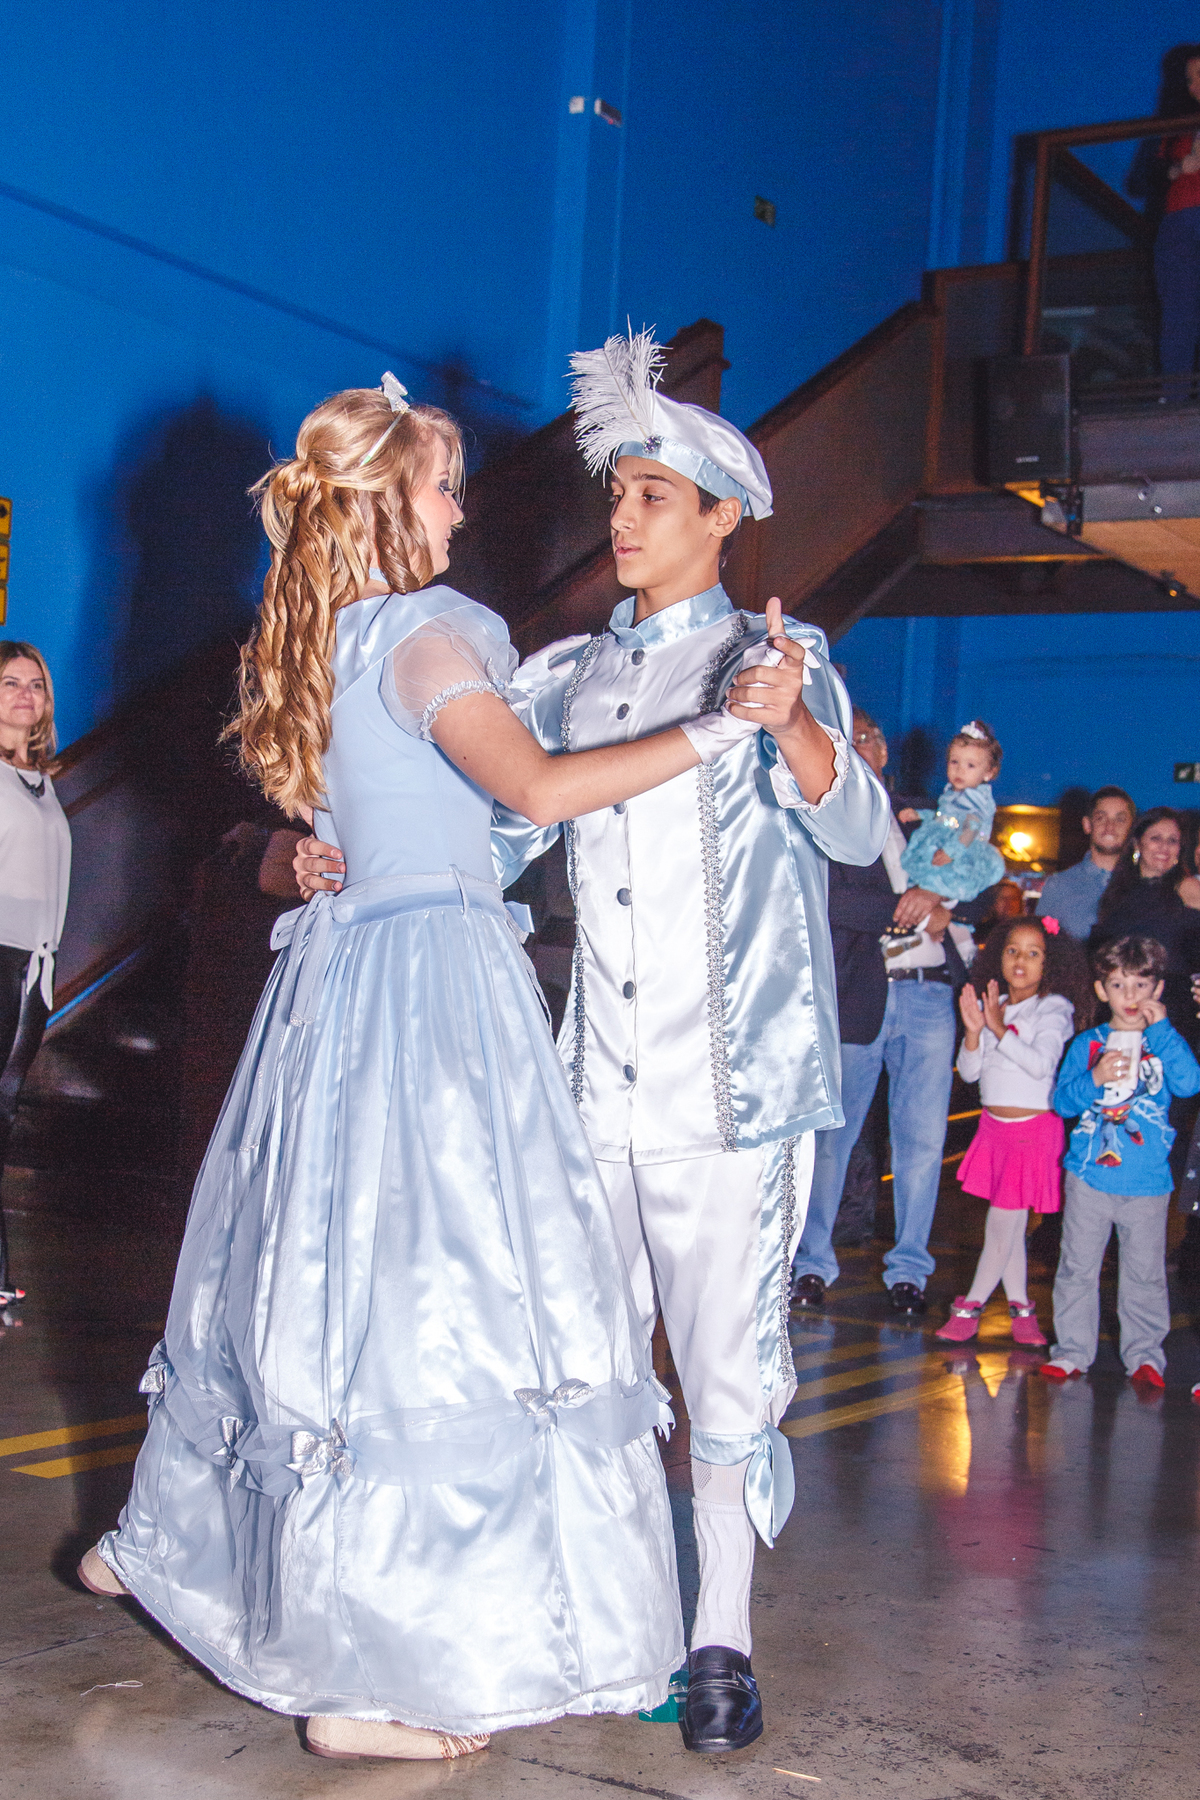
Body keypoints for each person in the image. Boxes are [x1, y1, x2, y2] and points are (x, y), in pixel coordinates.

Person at [80, 377, 768, 1760]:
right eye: (448, 484)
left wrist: (296, 856)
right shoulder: (437, 629)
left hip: (336, 987)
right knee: (436, 1304)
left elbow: (330, 827)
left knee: (317, 1290)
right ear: (395, 499)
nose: (465, 507)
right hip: (433, 991)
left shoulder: (318, 640)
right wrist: (720, 726)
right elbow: (537, 794)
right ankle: (359, 1677)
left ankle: (170, 1550)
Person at [296, 327, 891, 1753]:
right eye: (616, 495)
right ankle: (620, 1622)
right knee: (593, 1361)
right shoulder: (557, 676)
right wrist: (319, 851)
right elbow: (488, 827)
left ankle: (723, 1636)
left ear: (722, 518)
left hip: (734, 1083)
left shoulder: (777, 658)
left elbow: (855, 826)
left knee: (726, 1366)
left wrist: (799, 727)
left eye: (652, 500)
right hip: (587, 1088)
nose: (621, 522)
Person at [791, 709, 992, 1315]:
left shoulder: (929, 812)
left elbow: (983, 884)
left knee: (923, 1142)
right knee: (834, 1140)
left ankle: (910, 1271)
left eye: (873, 736)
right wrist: (907, 904)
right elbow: (825, 900)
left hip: (932, 993)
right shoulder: (821, 818)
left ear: (882, 753)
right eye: (850, 736)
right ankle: (812, 1265)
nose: (865, 743)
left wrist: (944, 898)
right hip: (861, 995)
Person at [1044, 935, 1200, 1385]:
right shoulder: (1087, 1044)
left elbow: (1189, 1084)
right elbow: (1063, 1103)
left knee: (1145, 1275)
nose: (1129, 997)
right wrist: (1093, 1078)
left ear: (1157, 989)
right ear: (1100, 990)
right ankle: (1072, 1350)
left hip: (1148, 1182)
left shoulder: (1165, 1042)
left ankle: (1145, 1355)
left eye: (1140, 985)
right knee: (1077, 1268)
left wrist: (1163, 1032)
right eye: (1118, 985)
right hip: (1089, 1177)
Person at [934, 916, 1091, 1346]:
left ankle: (971, 1305)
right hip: (993, 1130)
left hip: (1032, 1132)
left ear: (1049, 963)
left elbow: (1042, 1064)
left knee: (1002, 1226)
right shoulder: (995, 1002)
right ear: (999, 956)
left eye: (1033, 953)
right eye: (1012, 950)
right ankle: (1022, 1310)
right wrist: (973, 1031)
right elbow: (969, 1073)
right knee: (1010, 1226)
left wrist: (997, 1027)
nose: (1021, 960)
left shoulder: (1053, 1008)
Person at [0, 641, 71, 1311]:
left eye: (35, 685)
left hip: (36, 966)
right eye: (9, 683)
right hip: (1, 956)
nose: (25, 695)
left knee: (5, 1111)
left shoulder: (42, 781)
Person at [1089, 807, 1200, 1044]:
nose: (1164, 847)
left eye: (1173, 841)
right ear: (1137, 843)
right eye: (1156, 838)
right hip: (1121, 1010)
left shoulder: (1186, 888)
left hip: (1173, 1013)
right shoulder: (1118, 893)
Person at [895, 719, 1005, 906]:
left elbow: (972, 826)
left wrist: (951, 852)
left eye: (971, 765)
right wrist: (921, 815)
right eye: (954, 762)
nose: (959, 770)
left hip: (961, 851)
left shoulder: (977, 798)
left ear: (988, 773)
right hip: (945, 841)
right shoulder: (954, 793)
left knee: (944, 883)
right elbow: (946, 819)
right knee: (924, 880)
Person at [1152, 45, 1200, 390]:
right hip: (1180, 220)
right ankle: (1174, 399)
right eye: (1189, 79)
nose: (1194, 86)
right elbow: (1145, 177)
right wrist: (1178, 169)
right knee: (1179, 314)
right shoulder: (1178, 126)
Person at [1036, 787, 1136, 940]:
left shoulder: (1143, 884)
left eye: (1120, 819)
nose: (1110, 827)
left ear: (1131, 828)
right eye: (1101, 818)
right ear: (1087, 825)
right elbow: (1042, 944)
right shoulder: (1058, 886)